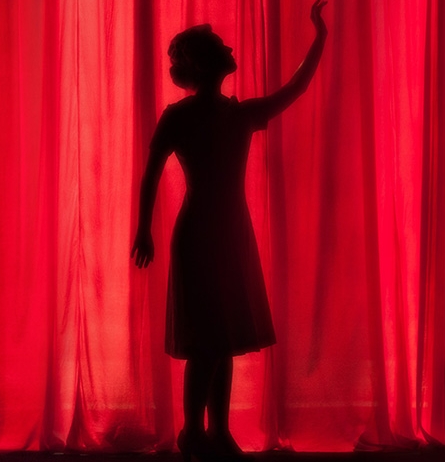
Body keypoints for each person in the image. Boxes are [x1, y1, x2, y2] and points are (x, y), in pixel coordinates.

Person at [130, 1, 327, 460]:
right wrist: (143, 230)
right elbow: (150, 174)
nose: (229, 47)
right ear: (202, 63)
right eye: (219, 46)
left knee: (223, 340)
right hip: (200, 233)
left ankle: (216, 430)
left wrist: (319, 35)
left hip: (230, 232)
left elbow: (297, 87)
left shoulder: (238, 114)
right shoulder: (183, 116)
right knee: (208, 340)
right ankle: (192, 432)